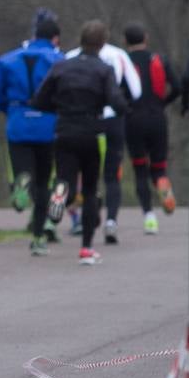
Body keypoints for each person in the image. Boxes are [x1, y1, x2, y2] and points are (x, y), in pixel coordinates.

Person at [31, 21, 129, 265]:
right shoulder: (103, 70)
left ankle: (60, 196)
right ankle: (86, 249)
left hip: (64, 130)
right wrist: (118, 107)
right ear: (103, 43)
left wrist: (61, 107)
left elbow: (40, 100)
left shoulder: (61, 66)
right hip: (91, 132)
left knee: (65, 180)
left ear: (81, 40)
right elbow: (117, 103)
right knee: (90, 190)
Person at [0, 14, 65, 256]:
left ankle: (21, 181)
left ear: (33, 36)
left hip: (18, 120)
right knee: (44, 182)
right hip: (48, 124)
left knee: (23, 169)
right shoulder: (59, 60)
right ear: (55, 38)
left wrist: (7, 108)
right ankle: (38, 237)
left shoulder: (8, 59)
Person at [64, 31, 140, 245]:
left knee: (82, 173)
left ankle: (72, 210)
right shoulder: (119, 55)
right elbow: (136, 90)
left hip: (81, 121)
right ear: (105, 39)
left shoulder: (69, 57)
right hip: (113, 121)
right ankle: (111, 222)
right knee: (112, 175)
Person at [123, 23, 181, 233]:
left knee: (140, 169)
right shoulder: (159, 60)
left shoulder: (124, 62)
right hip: (157, 118)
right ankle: (163, 185)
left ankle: (149, 217)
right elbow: (178, 87)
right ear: (146, 38)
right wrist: (163, 103)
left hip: (133, 119)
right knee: (158, 167)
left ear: (125, 41)